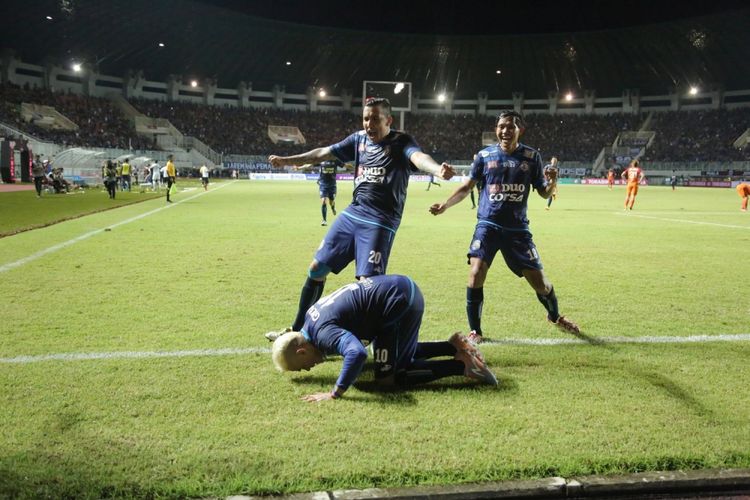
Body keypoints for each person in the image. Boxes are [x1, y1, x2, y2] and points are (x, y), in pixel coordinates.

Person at [265, 97, 455, 341]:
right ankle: (297, 331)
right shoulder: (358, 140)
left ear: (389, 120)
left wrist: (438, 169)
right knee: (316, 269)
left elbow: (419, 157)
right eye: (366, 118)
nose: (369, 124)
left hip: (380, 221)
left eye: (375, 119)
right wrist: (287, 160)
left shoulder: (401, 141)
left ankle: (364, 338)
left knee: (368, 285)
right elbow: (323, 153)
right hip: (352, 214)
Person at [429, 110, 579, 344]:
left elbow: (543, 192)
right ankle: (475, 331)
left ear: (521, 130)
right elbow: (467, 187)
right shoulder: (484, 156)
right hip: (487, 225)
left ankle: (555, 316)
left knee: (541, 283)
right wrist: (445, 204)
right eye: (501, 126)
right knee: (476, 273)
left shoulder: (531, 157)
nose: (505, 131)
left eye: (510, 126)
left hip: (518, 230)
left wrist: (553, 181)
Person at [271, 274, 497, 402]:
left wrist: (335, 393)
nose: (308, 370)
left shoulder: (323, 335)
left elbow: (356, 353)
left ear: (302, 351)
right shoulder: (311, 320)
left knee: (390, 378)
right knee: (388, 353)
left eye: (301, 368)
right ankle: (452, 346)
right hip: (399, 289)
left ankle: (462, 366)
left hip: (399, 303)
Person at [294, 159, 346, 226]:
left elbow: (346, 165)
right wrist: (299, 168)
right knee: (324, 201)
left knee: (331, 201)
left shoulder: (335, 161)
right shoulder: (321, 160)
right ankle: (324, 220)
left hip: (332, 185)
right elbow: (310, 164)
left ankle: (333, 208)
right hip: (323, 185)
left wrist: (358, 167)